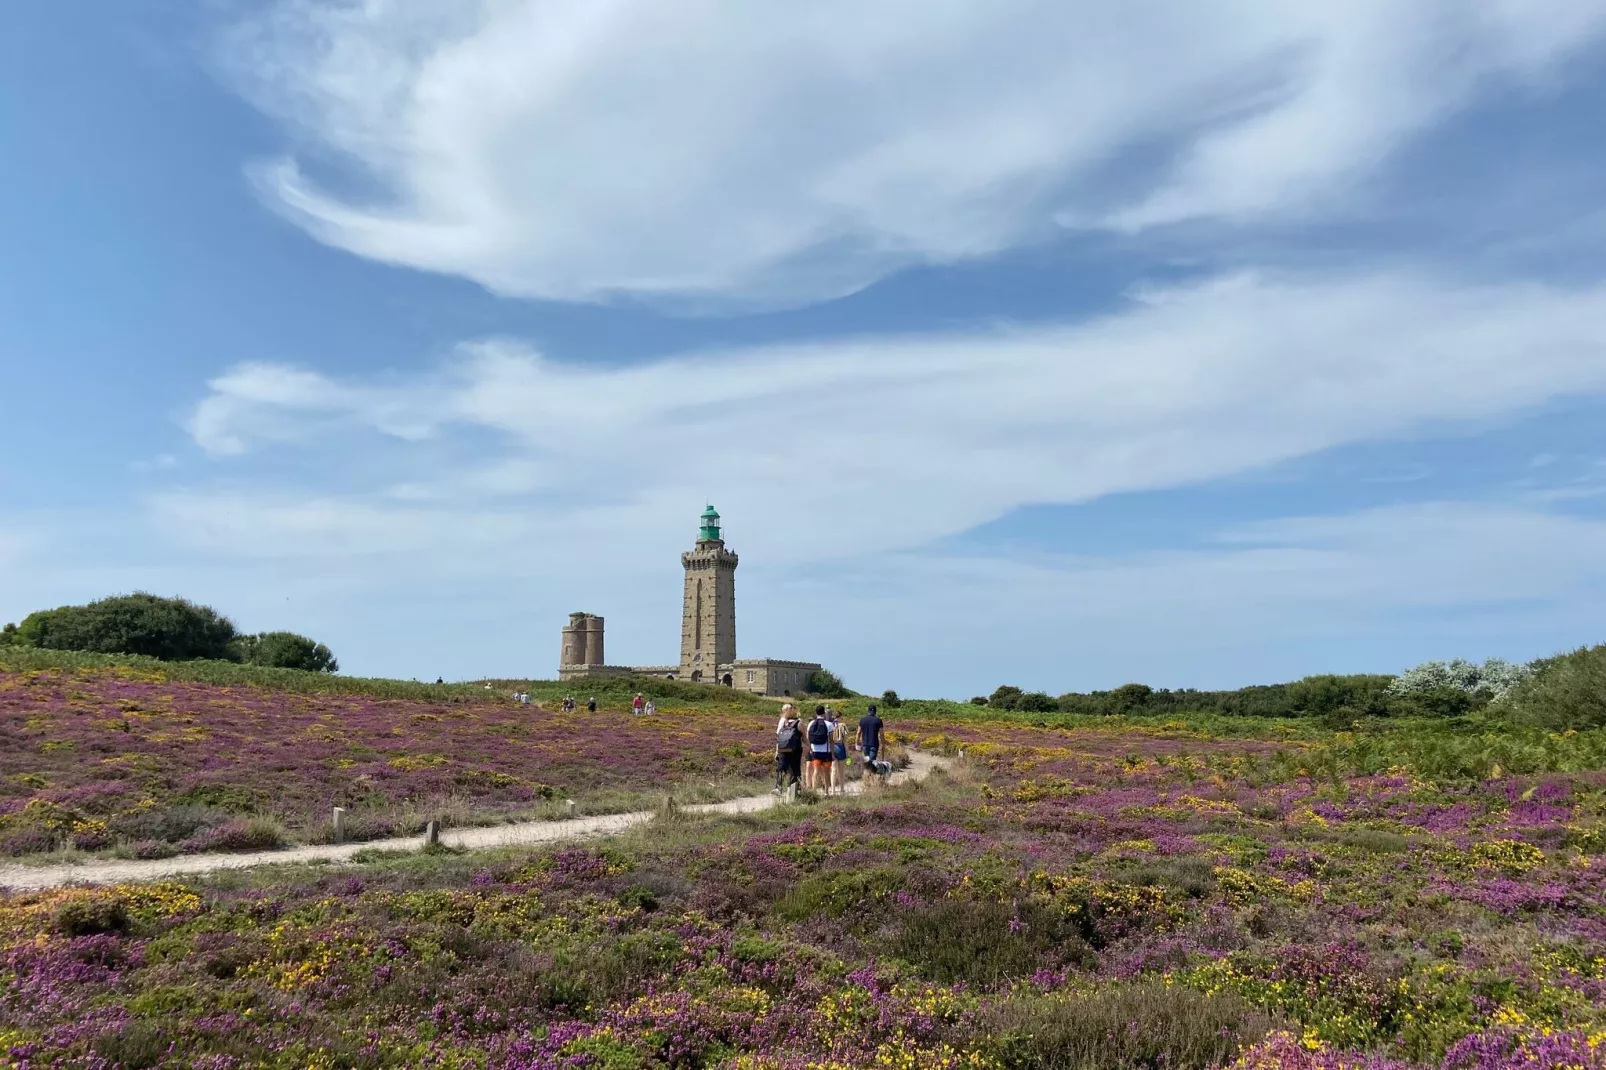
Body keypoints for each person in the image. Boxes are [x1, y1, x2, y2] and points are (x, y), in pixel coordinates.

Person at [773, 703, 803, 794]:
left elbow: (779, 737)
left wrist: (777, 750)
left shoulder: (783, 721)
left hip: (784, 749)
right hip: (795, 749)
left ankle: (781, 788)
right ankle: (794, 789)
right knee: (793, 768)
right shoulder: (798, 721)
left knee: (783, 767)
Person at [805, 706, 832, 791]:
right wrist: (833, 753)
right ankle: (826, 791)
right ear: (824, 713)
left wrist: (810, 749)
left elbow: (807, 737)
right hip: (826, 752)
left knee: (815, 771)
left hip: (815, 752)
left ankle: (814, 791)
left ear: (816, 713)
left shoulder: (811, 723)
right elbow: (831, 740)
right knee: (826, 772)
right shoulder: (829, 724)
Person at [857, 703, 884, 776]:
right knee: (872, 762)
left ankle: (866, 778)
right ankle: (870, 780)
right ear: (875, 711)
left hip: (865, 744)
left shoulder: (862, 720)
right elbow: (881, 734)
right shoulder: (878, 720)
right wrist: (883, 744)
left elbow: (858, 732)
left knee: (866, 761)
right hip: (874, 744)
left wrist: (857, 743)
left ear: (868, 711)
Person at [829, 706, 850, 795]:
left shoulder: (830, 725)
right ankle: (842, 789)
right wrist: (847, 752)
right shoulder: (843, 725)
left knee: (833, 770)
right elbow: (845, 741)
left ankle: (833, 790)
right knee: (841, 770)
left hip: (832, 747)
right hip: (840, 747)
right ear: (840, 716)